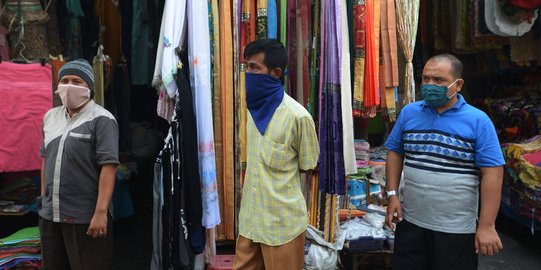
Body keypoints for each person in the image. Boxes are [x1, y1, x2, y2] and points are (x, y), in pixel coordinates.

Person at [384, 54, 505, 270]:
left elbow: (493, 173)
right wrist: (392, 195)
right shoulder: (409, 113)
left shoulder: (478, 121)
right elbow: (394, 152)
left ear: (457, 84)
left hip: (455, 229)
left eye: (439, 80)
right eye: (426, 79)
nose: (430, 85)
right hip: (411, 223)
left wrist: (487, 225)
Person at [233, 39, 320, 270]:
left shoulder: (297, 117)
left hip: (282, 225)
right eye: (247, 67)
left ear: (276, 73)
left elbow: (308, 163)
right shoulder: (252, 110)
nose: (248, 73)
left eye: (255, 68)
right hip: (251, 220)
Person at [38, 59, 119, 270]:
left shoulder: (102, 119)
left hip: (85, 216)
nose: (70, 85)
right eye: (64, 80)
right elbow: (45, 160)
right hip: (51, 215)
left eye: (77, 81)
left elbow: (109, 167)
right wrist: (43, 198)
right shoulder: (50, 117)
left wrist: (101, 212)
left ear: (89, 87)